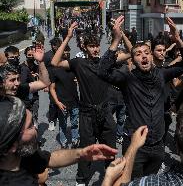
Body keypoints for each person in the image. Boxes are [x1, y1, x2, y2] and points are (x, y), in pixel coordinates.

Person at [98, 16, 183, 179]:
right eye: (137, 54)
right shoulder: (127, 78)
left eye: (146, 53)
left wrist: (178, 39)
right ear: (133, 60)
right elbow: (102, 72)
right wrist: (115, 40)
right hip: (135, 146)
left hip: (157, 145)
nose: (143, 56)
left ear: (151, 56)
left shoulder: (162, 74)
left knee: (151, 181)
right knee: (132, 182)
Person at [51, 22, 116, 185]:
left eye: (97, 46)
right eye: (91, 46)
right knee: (86, 149)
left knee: (110, 147)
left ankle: (111, 176)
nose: (95, 49)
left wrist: (118, 35)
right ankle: (81, 180)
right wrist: (67, 37)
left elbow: (129, 54)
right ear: (85, 48)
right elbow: (55, 62)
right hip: (86, 113)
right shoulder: (78, 63)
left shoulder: (105, 62)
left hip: (105, 111)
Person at [0, 96, 118, 186]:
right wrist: (108, 179)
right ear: (12, 145)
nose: (37, 128)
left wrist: (82, 154)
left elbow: (50, 158)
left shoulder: (21, 155)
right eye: (30, 126)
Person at [49, 45, 80, 149]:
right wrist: (57, 102)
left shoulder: (73, 67)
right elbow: (52, 88)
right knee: (62, 125)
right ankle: (64, 142)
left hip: (75, 101)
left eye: (68, 51)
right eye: (64, 51)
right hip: (62, 103)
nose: (66, 53)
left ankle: (75, 140)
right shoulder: (54, 69)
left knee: (75, 123)